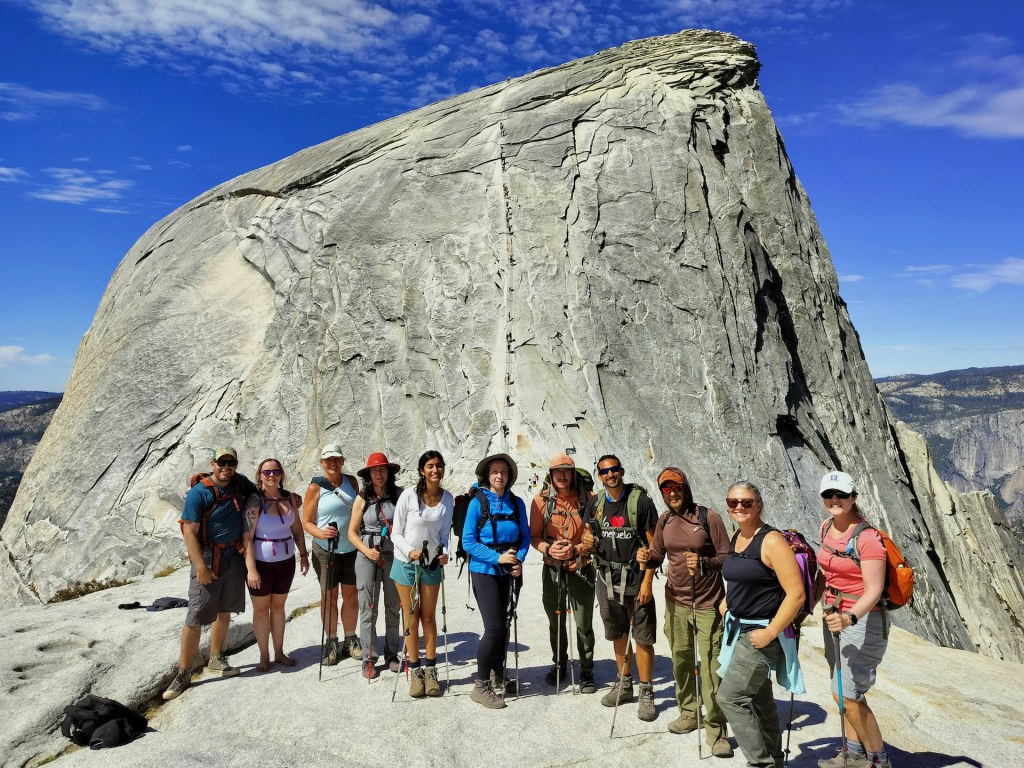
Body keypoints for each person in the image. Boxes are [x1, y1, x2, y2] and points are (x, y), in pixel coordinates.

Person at [641, 468, 733, 756]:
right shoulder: (665, 520)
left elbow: (727, 557)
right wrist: (646, 557)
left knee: (711, 668)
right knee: (681, 661)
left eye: (677, 487)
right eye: (666, 489)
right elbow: (658, 554)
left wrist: (704, 563)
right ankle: (689, 713)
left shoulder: (708, 517)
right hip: (676, 602)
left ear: (686, 488)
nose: (672, 493)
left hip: (707, 604)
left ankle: (716, 731)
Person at [716, 482, 805, 768]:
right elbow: (743, 577)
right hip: (738, 629)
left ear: (759, 505)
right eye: (733, 502)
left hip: (761, 633)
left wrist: (770, 632)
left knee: (730, 698)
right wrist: (728, 601)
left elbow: (796, 594)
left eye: (746, 502)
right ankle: (775, 759)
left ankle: (761, 764)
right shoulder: (737, 536)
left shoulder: (771, 541)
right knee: (759, 700)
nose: (739, 507)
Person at [162, 446, 258, 700]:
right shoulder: (199, 493)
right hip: (207, 558)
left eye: (231, 463)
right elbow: (189, 531)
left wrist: (288, 498)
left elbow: (258, 492)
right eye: (221, 463)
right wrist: (201, 567)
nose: (226, 467)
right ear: (212, 463)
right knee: (196, 616)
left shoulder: (239, 482)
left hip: (233, 557)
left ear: (236, 465)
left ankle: (216, 658)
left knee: (224, 611)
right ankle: (184, 672)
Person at [815, 471, 893, 768]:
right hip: (833, 616)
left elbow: (874, 590)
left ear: (853, 497)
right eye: (828, 494)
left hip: (863, 622)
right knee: (842, 690)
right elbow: (826, 574)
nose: (834, 500)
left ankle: (879, 760)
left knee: (847, 694)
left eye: (841, 495)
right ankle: (855, 753)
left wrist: (849, 617)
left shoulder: (867, 538)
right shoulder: (826, 527)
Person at [586, 454, 659, 721]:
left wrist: (648, 581)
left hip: (636, 578)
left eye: (614, 469)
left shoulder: (640, 502)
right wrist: (587, 541)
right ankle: (624, 682)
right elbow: (589, 533)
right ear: (599, 476)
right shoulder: (596, 503)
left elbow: (654, 547)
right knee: (617, 632)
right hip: (607, 577)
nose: (610, 475)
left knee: (643, 636)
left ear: (622, 471)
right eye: (605, 471)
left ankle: (646, 690)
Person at [463, 452, 530, 709]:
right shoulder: (477, 503)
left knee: (504, 624)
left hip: (509, 570)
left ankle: (498, 673)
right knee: (494, 627)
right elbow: (468, 542)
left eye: (503, 471)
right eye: (494, 472)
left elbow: (524, 537)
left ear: (509, 476)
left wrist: (518, 559)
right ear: (487, 475)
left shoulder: (517, 503)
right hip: (484, 570)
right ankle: (480, 686)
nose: (499, 476)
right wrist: (498, 558)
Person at [529, 452, 597, 694]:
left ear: (573, 474)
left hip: (581, 568)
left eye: (566, 471)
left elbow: (595, 536)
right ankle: (559, 663)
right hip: (553, 569)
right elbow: (534, 537)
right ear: (550, 475)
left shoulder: (590, 500)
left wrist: (577, 550)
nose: (561, 476)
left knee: (583, 623)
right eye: (557, 471)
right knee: (555, 621)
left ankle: (586, 670)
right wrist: (549, 549)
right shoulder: (540, 502)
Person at [390, 450, 453, 698]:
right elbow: (396, 533)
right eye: (430, 466)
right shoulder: (408, 496)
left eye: (438, 465)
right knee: (411, 618)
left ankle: (430, 670)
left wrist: (445, 552)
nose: (435, 470)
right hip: (406, 564)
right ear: (422, 471)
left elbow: (445, 534)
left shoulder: (447, 499)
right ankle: (415, 671)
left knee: (429, 617)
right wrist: (411, 551)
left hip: (432, 565)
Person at [242, 457, 309, 672]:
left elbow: (297, 529)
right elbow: (247, 537)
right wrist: (251, 569)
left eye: (276, 471)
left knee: (279, 608)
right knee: (261, 610)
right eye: (267, 472)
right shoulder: (255, 501)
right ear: (260, 476)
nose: (271, 475)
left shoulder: (289, 498)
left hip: (286, 562)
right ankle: (264, 656)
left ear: (281, 474)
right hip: (261, 564)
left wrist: (304, 555)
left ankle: (279, 652)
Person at [302, 444, 361, 666]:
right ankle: (332, 641)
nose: (333, 463)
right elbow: (307, 522)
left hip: (350, 548)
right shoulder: (315, 488)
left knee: (351, 595)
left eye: (336, 459)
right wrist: (322, 533)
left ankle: (350, 638)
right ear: (322, 463)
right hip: (325, 550)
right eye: (328, 460)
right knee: (329, 597)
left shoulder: (351, 482)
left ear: (342, 461)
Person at [347, 452, 403, 680]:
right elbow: (352, 533)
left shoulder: (399, 495)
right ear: (368, 475)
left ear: (388, 472)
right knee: (368, 608)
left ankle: (392, 654)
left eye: (382, 470)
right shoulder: (362, 498)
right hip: (367, 555)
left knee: (393, 606)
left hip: (393, 555)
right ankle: (368, 658)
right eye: (375, 470)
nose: (379, 474)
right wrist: (366, 550)